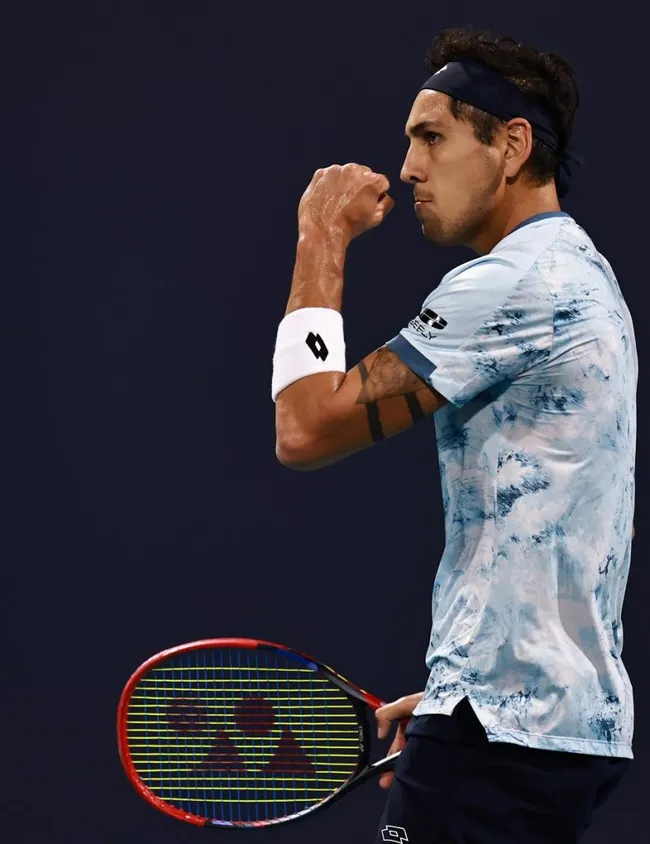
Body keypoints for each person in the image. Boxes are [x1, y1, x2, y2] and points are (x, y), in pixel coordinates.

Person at [271, 25, 637, 844]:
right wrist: (462, 695)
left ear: (512, 146)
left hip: (504, 740)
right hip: (545, 728)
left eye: (431, 137)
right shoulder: (583, 275)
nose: (408, 167)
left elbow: (304, 426)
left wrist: (320, 235)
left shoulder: (517, 281)